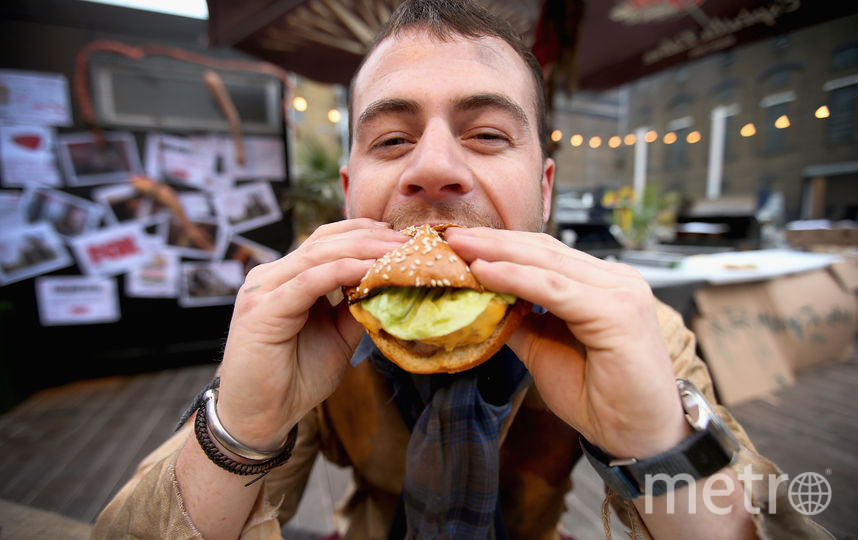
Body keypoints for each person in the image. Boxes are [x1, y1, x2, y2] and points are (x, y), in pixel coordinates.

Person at [93, 1, 831, 539]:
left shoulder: (636, 329)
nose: (436, 169)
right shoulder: (310, 325)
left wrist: (660, 443)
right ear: (351, 196)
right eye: (390, 140)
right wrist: (243, 424)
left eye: (484, 133)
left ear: (542, 192)